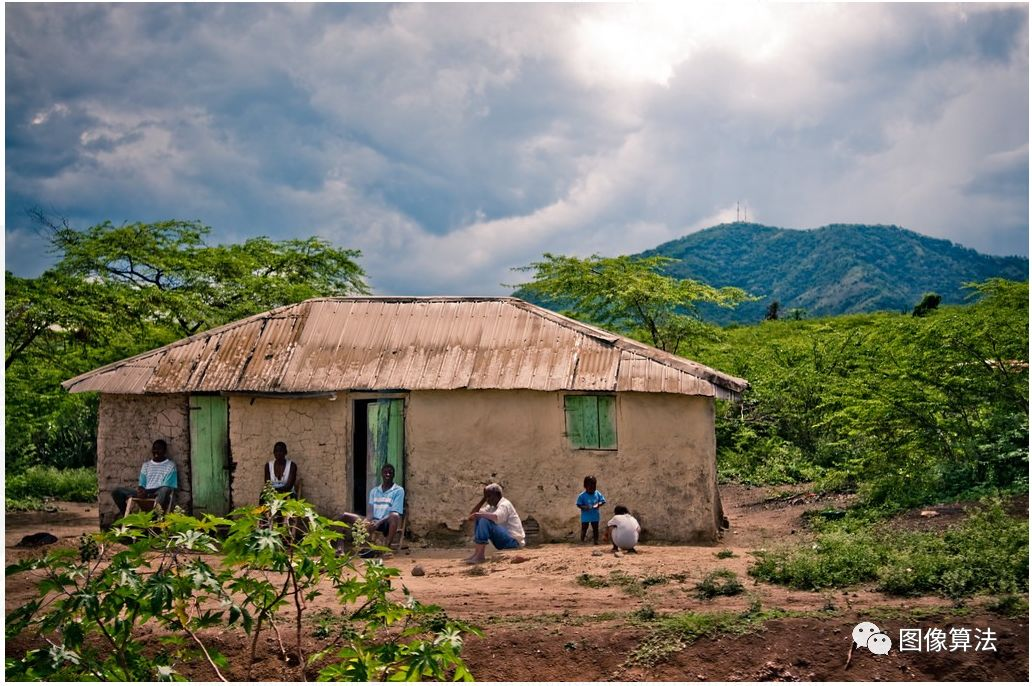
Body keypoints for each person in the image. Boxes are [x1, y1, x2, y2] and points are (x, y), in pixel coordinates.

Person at [341, 463, 405, 547]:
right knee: (344, 516)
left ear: (394, 475)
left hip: (385, 523)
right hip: (373, 522)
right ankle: (340, 548)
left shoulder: (398, 490)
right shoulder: (374, 491)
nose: (388, 474)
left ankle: (386, 547)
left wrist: (378, 522)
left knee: (395, 515)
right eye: (385, 472)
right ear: (382, 474)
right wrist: (367, 522)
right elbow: (370, 513)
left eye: (390, 472)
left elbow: (395, 511)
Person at [112, 439, 178, 517]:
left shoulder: (170, 465)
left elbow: (167, 486)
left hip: (159, 495)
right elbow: (142, 484)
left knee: (165, 490)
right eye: (154, 449)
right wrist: (141, 491)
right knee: (116, 492)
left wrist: (148, 492)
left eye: (159, 449)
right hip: (145, 493)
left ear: (164, 451)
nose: (156, 451)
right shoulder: (146, 465)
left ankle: (154, 520)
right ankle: (129, 518)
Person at [464, 483, 525, 564]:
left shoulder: (505, 504)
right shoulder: (491, 507)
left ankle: (480, 556)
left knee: (484, 519)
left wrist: (480, 515)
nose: (488, 500)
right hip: (503, 542)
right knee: (479, 518)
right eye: (486, 497)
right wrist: (483, 500)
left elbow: (496, 517)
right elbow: (472, 515)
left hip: (513, 542)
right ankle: (477, 554)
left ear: (498, 495)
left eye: (489, 496)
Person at [576, 475, 606, 544]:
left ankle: (596, 541)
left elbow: (602, 501)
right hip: (585, 516)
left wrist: (598, 504)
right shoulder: (582, 495)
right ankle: (582, 541)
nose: (592, 489)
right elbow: (578, 504)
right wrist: (584, 507)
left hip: (595, 515)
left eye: (594, 487)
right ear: (585, 486)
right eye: (590, 487)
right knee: (584, 528)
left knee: (595, 529)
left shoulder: (597, 493)